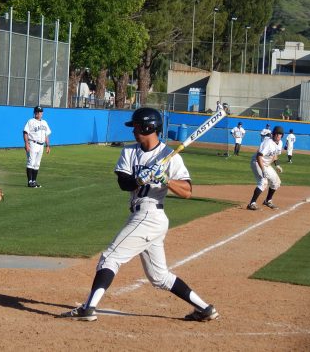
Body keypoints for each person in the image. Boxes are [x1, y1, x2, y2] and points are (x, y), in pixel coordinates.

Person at [59, 108, 219, 322]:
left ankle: (88, 308)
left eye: (136, 126)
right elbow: (123, 183)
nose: (133, 130)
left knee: (110, 257)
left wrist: (165, 180)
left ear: (148, 127)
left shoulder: (169, 157)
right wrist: (139, 180)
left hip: (151, 214)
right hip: (141, 215)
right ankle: (205, 309)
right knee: (159, 277)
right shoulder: (129, 152)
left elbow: (188, 191)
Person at [247, 126, 284, 211]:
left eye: (280, 134)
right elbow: (259, 156)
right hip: (257, 162)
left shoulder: (280, 143)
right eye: (277, 134)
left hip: (266, 164)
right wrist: (263, 169)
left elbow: (274, 155)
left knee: (276, 182)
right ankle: (251, 203)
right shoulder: (268, 143)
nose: (278, 136)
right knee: (263, 182)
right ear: (273, 134)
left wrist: (277, 165)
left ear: (282, 135)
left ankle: (268, 200)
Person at [23, 106, 51, 188]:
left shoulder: (44, 122)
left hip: (41, 145)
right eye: (37, 112)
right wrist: (26, 144)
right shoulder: (31, 121)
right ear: (34, 113)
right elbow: (25, 133)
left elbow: (46, 135)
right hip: (33, 143)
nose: (39, 113)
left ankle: (34, 181)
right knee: (31, 162)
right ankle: (30, 182)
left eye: (40, 112)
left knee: (37, 164)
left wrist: (48, 146)